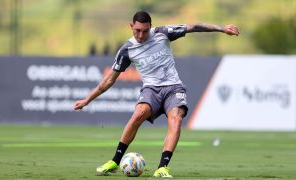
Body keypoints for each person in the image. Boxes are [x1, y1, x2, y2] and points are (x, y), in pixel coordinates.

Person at [74, 11, 239, 178]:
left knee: (176, 118)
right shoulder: (127, 50)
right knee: (139, 113)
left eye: (145, 31)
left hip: (173, 87)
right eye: (137, 30)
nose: (141, 35)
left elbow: (194, 27)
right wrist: (87, 100)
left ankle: (162, 167)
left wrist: (222, 28)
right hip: (151, 89)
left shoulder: (163, 33)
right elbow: (108, 80)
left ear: (150, 27)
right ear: (131, 26)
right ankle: (115, 161)